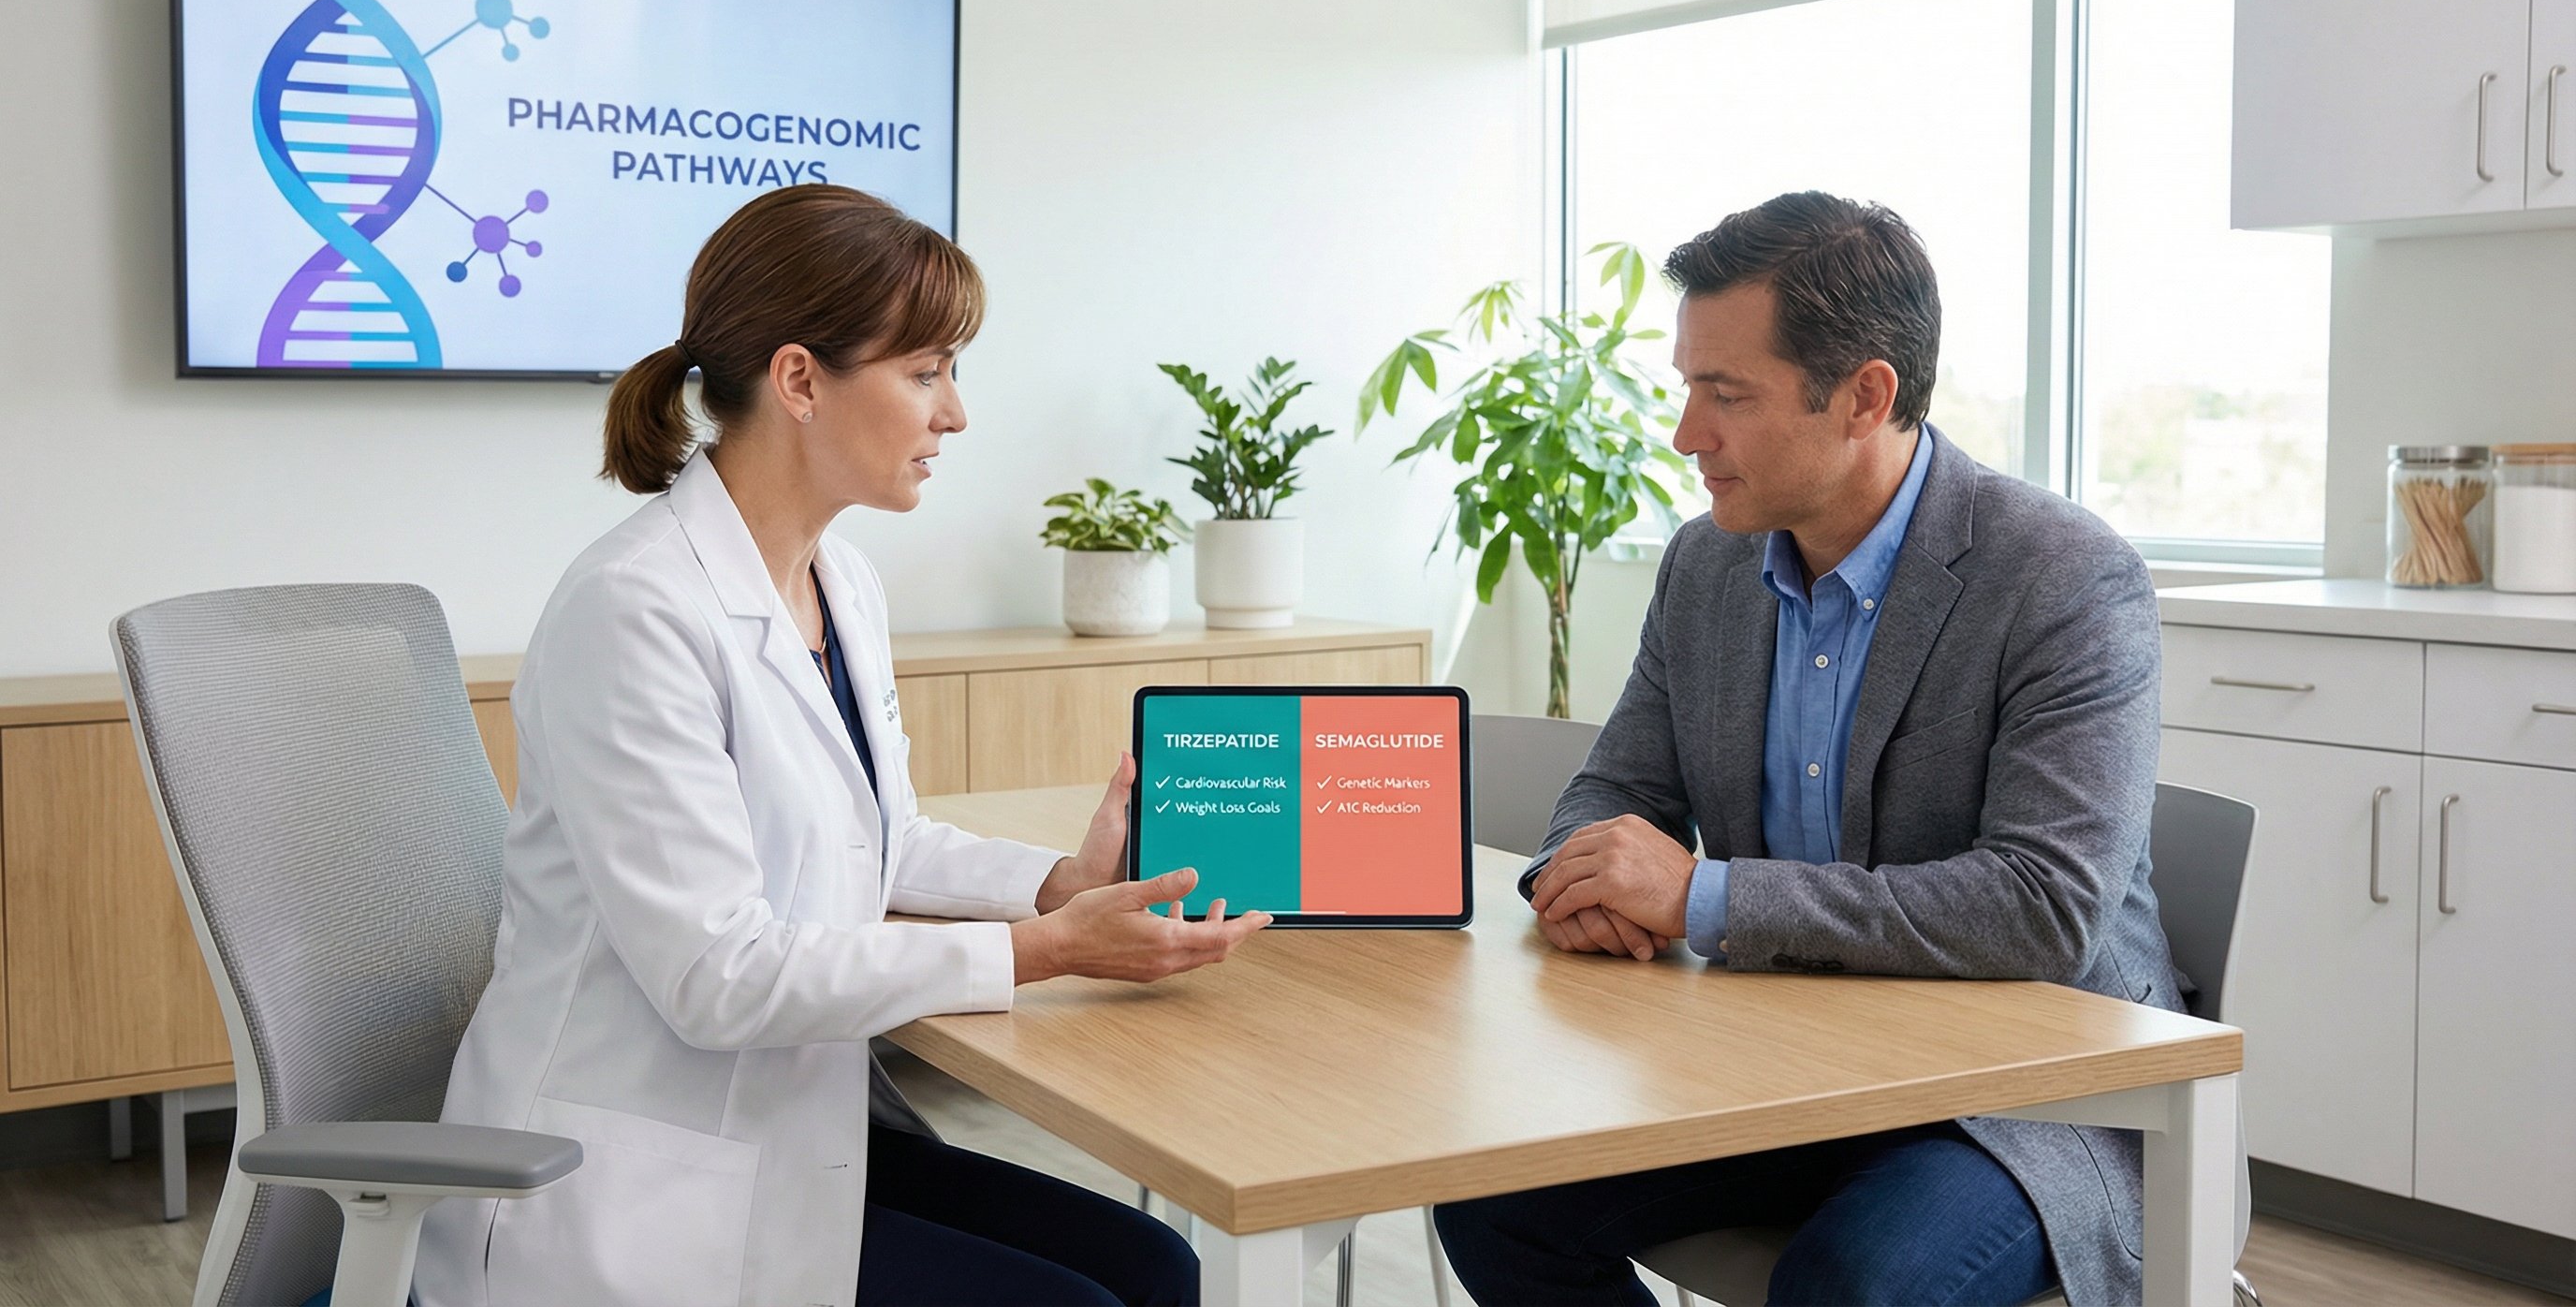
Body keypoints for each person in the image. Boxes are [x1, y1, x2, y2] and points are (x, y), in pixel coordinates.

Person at [415, 184, 1266, 1307]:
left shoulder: (839, 580)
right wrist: (1042, 951)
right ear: (800, 379)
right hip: (621, 1191)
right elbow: (717, 977)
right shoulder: (635, 610)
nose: (954, 414)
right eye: (926, 373)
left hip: (785, 1129)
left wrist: (1059, 883)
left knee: (1157, 1266)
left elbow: (879, 840)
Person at [1432, 191, 2187, 1307]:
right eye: (1689, 387)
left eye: (1726, 395)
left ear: (1864, 396)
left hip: (2016, 1100)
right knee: (1494, 1196)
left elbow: (2043, 905)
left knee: (1850, 1284)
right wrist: (1577, 875)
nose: (1688, 434)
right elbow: (1619, 786)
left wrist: (1702, 898)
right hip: (1780, 1068)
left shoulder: (2062, 577)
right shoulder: (1707, 566)